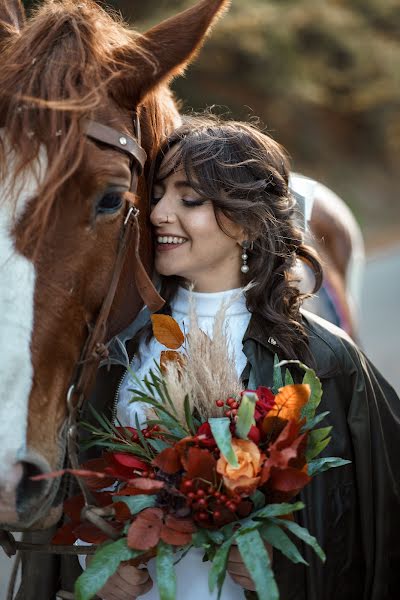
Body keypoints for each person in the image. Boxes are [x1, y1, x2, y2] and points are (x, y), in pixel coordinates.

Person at [82, 115, 400, 600]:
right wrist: (96, 563)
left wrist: (289, 571)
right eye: (159, 193)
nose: (159, 213)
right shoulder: (119, 345)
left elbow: (371, 522)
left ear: (246, 219)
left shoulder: (322, 358)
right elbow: (85, 489)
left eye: (188, 199)